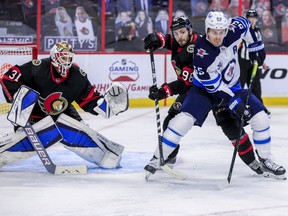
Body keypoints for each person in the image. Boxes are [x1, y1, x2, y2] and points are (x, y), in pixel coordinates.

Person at [144, 11, 286, 180]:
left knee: (261, 118)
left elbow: (247, 25)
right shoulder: (202, 52)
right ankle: (157, 159)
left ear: (226, 29)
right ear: (207, 31)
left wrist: (256, 47)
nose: (218, 36)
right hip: (204, 91)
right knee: (182, 120)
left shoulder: (233, 30)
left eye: (221, 32)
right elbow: (214, 87)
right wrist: (235, 103)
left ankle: (265, 159)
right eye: (214, 32)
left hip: (233, 88)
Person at [0, 41, 128, 169]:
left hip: (62, 112)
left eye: (69, 57)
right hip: (34, 115)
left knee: (79, 132)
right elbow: (8, 78)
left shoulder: (78, 75)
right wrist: (19, 101)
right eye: (63, 57)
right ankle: (15, 139)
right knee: (29, 103)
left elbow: (90, 99)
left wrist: (108, 106)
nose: (67, 61)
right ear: (54, 57)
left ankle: (107, 156)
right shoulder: (38, 68)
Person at [239, 9, 269, 114]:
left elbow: (259, 48)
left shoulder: (257, 31)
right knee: (239, 86)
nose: (251, 20)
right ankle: (236, 107)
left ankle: (259, 108)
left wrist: (262, 61)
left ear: (256, 19)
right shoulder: (241, 31)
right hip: (242, 62)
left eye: (253, 18)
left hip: (254, 62)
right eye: (249, 18)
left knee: (256, 87)